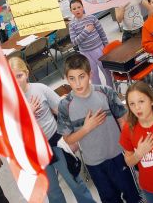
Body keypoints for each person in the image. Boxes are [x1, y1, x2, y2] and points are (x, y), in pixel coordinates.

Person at [8, 56, 95, 203]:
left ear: (27, 73)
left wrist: (70, 137)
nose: (16, 81)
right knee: (52, 191)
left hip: (57, 142)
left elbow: (61, 112)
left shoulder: (40, 89)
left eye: (19, 76)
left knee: (74, 181)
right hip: (37, 150)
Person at [57, 54, 141, 203]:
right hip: (94, 163)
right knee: (109, 199)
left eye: (81, 76)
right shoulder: (65, 105)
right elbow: (68, 139)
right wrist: (86, 128)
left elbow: (123, 121)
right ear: (66, 78)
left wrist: (129, 150)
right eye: (72, 78)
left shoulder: (105, 91)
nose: (77, 83)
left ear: (90, 74)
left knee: (132, 195)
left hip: (118, 155)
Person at [68, 0, 113, 87]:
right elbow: (74, 42)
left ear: (83, 7)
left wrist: (106, 47)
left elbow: (102, 33)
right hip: (85, 53)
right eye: (74, 9)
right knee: (93, 75)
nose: (77, 10)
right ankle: (99, 93)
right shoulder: (72, 24)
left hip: (99, 49)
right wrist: (86, 31)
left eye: (79, 7)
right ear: (71, 11)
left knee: (107, 71)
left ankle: (111, 90)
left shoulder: (92, 18)